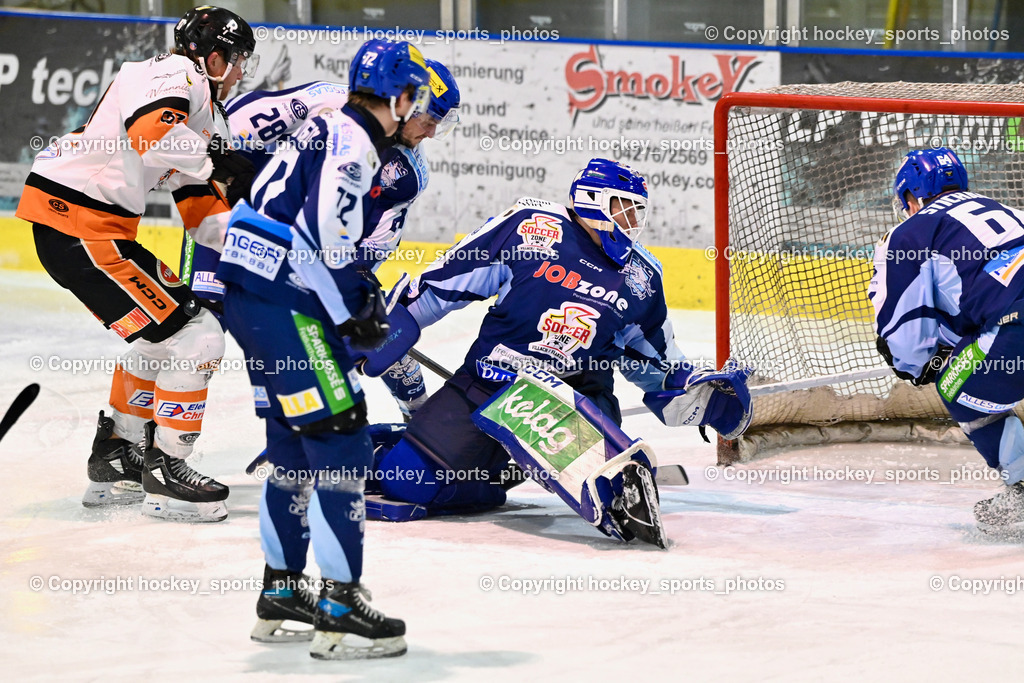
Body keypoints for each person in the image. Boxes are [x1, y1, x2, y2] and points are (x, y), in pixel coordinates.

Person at [362, 158, 753, 547]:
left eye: (638, 210)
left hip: (571, 399)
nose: (632, 219)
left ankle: (574, 466)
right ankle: (470, 467)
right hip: (489, 386)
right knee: (406, 482)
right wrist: (384, 328)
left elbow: (654, 362)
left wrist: (700, 393)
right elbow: (445, 282)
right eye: (624, 206)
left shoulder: (642, 277)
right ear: (591, 199)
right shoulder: (530, 226)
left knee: (612, 492)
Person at [216, 38, 430, 659]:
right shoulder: (355, 142)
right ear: (398, 94)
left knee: (294, 446)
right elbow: (324, 243)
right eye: (411, 96)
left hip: (250, 294)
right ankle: (339, 607)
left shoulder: (322, 124)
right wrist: (354, 316)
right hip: (289, 300)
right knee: (341, 440)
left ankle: (282, 592)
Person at [15, 5, 258, 522]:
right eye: (237, 61)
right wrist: (218, 155)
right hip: (80, 224)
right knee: (198, 337)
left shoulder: (204, 115)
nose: (240, 73)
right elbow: (152, 133)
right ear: (212, 57)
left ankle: (118, 456)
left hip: (89, 230)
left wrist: (265, 252)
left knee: (159, 338)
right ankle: (168, 470)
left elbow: (204, 214)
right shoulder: (169, 73)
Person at [187, 61, 461, 419]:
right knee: (199, 332)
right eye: (428, 121)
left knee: (379, 329)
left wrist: (353, 280)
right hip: (234, 220)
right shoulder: (330, 101)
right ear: (409, 104)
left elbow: (376, 242)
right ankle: (137, 441)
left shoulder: (406, 173)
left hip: (302, 248)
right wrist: (229, 169)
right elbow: (235, 120)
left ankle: (419, 416)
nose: (429, 134)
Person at [871, 146, 1024, 531]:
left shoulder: (910, 233)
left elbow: (902, 326)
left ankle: (1023, 491)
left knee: (954, 382)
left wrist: (920, 365)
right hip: (1011, 320)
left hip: (1017, 331)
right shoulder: (1008, 211)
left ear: (911, 196)